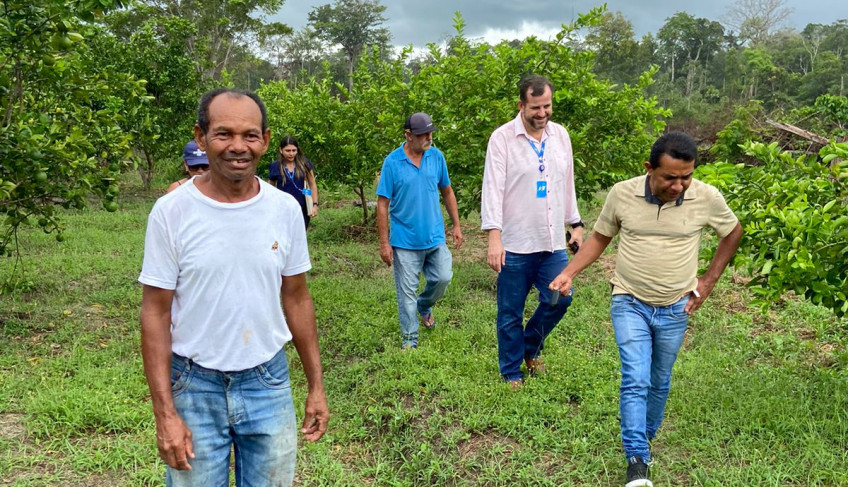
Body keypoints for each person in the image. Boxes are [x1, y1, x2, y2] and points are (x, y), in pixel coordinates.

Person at [139, 88, 329, 487]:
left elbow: (296, 297)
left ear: (264, 139)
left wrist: (316, 386)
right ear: (201, 136)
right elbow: (155, 311)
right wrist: (165, 415)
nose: (238, 147)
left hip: (268, 381)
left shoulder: (284, 209)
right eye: (223, 134)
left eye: (250, 135)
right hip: (193, 384)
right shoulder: (171, 212)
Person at [549, 132, 743, 487]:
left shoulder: (706, 197)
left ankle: (644, 436)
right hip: (629, 301)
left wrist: (709, 280)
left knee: (659, 381)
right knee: (635, 379)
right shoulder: (623, 193)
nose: (679, 185)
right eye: (670, 177)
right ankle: (637, 459)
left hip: (674, 307)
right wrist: (568, 272)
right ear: (649, 169)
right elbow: (600, 238)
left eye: (686, 176)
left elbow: (732, 232)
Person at [481, 74, 584, 390]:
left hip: (551, 241)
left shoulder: (560, 135)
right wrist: (494, 237)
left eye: (547, 106)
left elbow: (566, 183)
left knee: (560, 299)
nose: (542, 113)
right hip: (514, 243)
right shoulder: (502, 139)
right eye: (536, 107)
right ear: (521, 105)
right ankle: (511, 371)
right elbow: (493, 190)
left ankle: (529, 347)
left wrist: (576, 224)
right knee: (510, 312)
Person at [376, 112, 463, 350]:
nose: (429, 138)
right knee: (406, 293)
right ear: (408, 135)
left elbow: (447, 191)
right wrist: (384, 243)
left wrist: (456, 225)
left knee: (443, 277)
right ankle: (409, 339)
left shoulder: (436, 157)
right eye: (423, 134)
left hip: (434, 237)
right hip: (404, 241)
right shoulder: (392, 162)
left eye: (431, 133)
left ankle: (423, 306)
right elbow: (382, 204)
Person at [268, 135, 319, 228]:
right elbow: (270, 187)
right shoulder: (276, 166)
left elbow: (312, 183)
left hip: (302, 207)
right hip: (282, 208)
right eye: (288, 151)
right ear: (281, 150)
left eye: (294, 150)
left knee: (300, 236)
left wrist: (314, 204)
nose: (291, 153)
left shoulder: (304, 163)